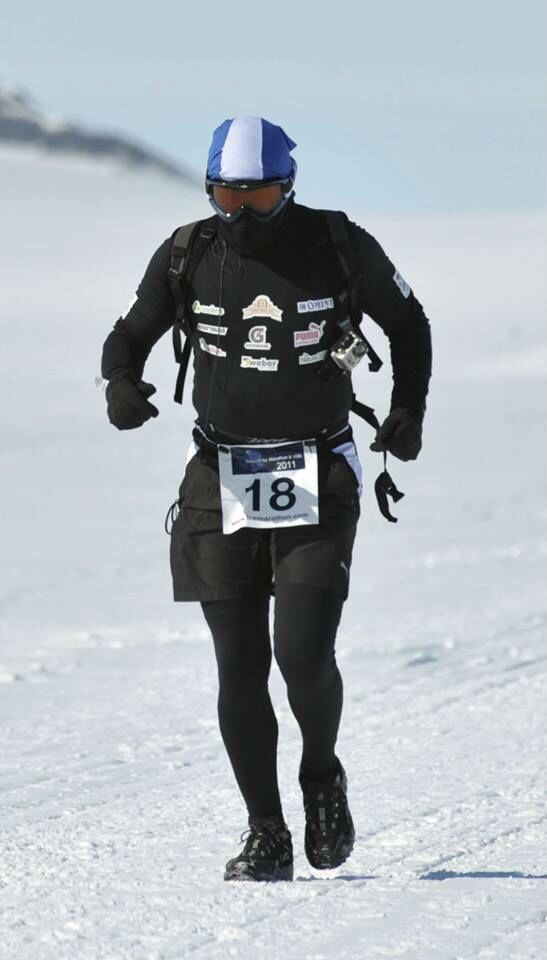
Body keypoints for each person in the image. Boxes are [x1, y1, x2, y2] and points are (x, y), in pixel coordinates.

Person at [101, 115, 432, 882]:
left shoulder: (338, 244)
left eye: (256, 193)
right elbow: (130, 332)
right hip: (219, 475)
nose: (239, 208)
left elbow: (407, 322)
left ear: (288, 187)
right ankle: (265, 833)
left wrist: (408, 408)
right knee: (240, 665)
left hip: (319, 471)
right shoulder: (188, 251)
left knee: (301, 655)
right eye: (225, 192)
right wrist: (121, 381)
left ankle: (321, 776)